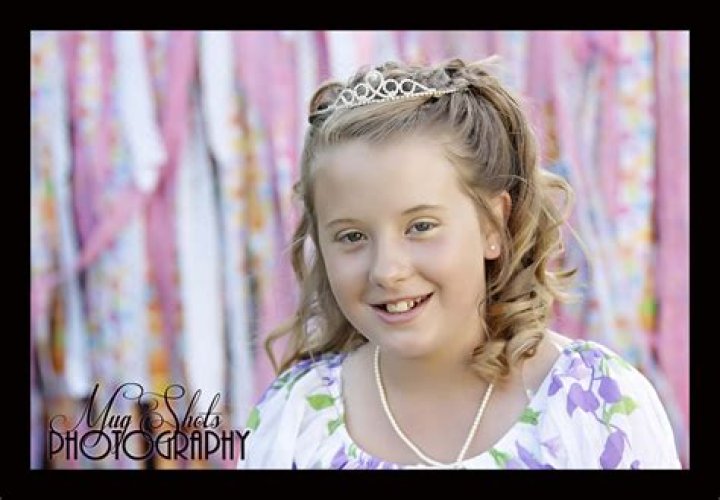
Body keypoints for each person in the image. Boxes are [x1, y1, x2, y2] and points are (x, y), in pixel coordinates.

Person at [237, 58, 681, 469]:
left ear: (493, 225)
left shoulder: (597, 408)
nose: (387, 270)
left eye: (421, 226)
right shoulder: (296, 421)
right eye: (352, 236)